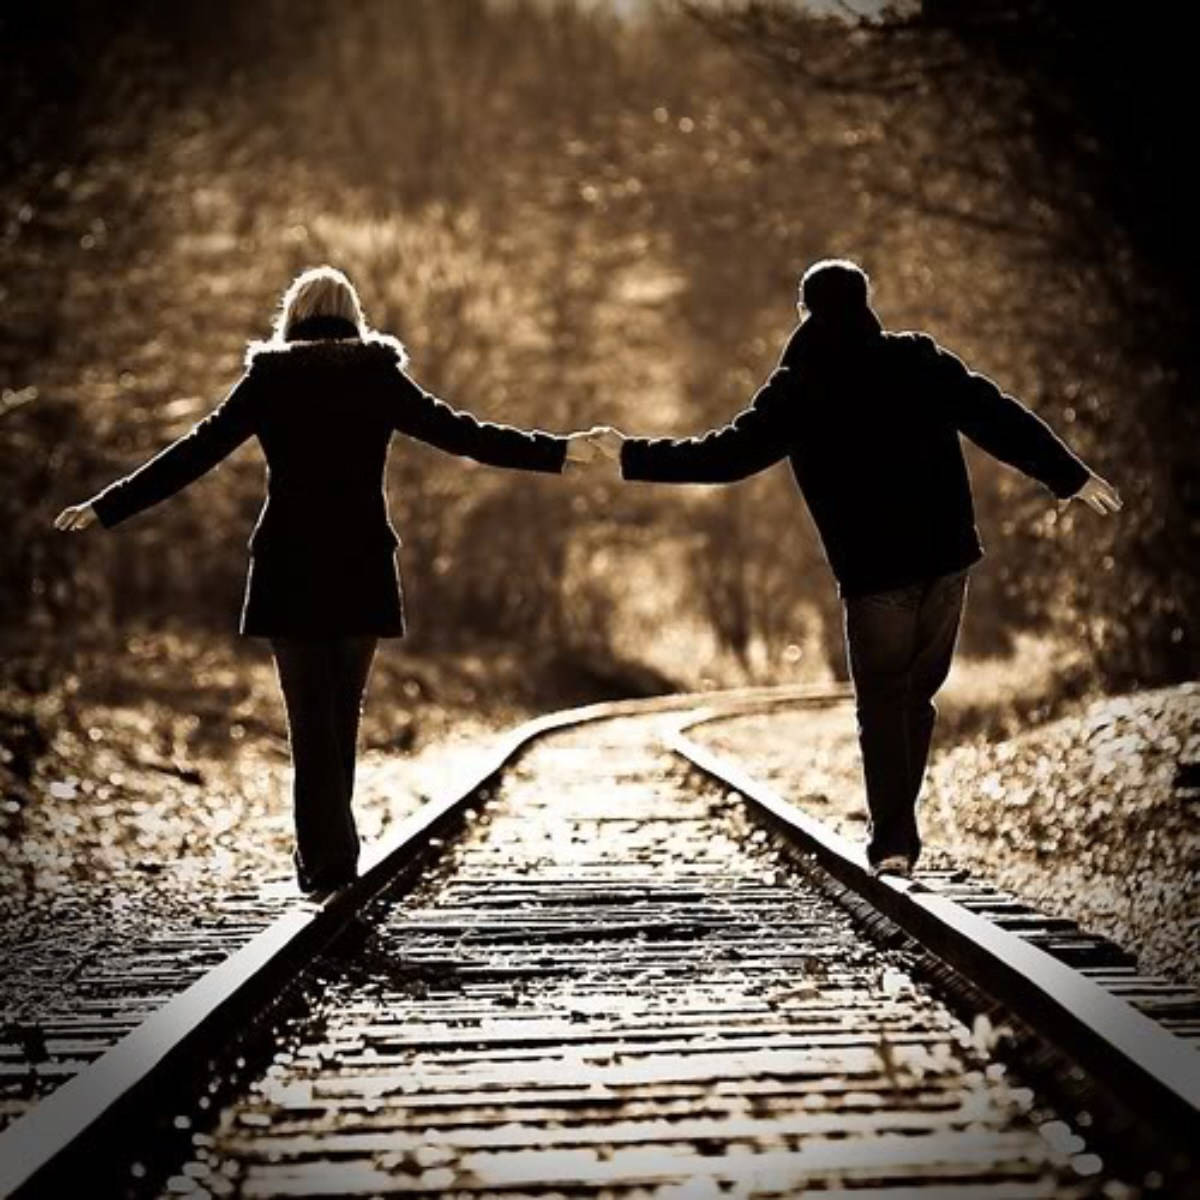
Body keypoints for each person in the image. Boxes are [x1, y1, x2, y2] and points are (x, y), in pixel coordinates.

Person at [56, 265, 605, 893]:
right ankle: (332, 853)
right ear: (353, 315)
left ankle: (325, 858)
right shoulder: (377, 377)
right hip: (360, 563)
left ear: (293, 315)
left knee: (308, 719)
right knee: (340, 714)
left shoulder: (269, 380)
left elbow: (195, 451)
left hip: (288, 566)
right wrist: (559, 451)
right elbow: (465, 436)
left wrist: (108, 505)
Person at [584, 258, 1121, 878]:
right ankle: (898, 832)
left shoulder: (799, 385)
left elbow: (723, 457)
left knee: (884, 703)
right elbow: (994, 415)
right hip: (947, 561)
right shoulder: (917, 359)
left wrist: (628, 454)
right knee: (915, 698)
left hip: (875, 574)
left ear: (803, 311)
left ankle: (894, 840)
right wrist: (1069, 476)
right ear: (867, 301)